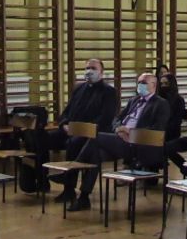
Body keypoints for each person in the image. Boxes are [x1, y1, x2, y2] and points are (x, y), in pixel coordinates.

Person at [67, 73, 170, 211]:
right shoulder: (134, 100)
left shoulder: (161, 104)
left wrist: (131, 132)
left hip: (139, 145)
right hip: (121, 140)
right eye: (139, 82)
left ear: (154, 85)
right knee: (95, 154)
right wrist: (118, 129)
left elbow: (157, 129)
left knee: (95, 136)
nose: (140, 85)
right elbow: (117, 119)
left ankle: (73, 170)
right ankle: (84, 198)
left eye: (144, 83)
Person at [50, 59, 118, 203]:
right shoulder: (78, 88)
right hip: (70, 130)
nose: (89, 71)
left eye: (93, 68)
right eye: (87, 68)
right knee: (41, 138)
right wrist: (64, 124)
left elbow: (105, 119)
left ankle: (68, 186)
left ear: (101, 72)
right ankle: (39, 181)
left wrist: (82, 129)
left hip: (91, 133)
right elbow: (66, 112)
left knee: (74, 143)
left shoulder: (109, 92)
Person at [157, 73, 187, 142]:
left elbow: (176, 122)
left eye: (166, 83)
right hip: (157, 131)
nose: (163, 86)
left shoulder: (179, 100)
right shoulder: (157, 99)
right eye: (161, 84)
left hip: (171, 133)